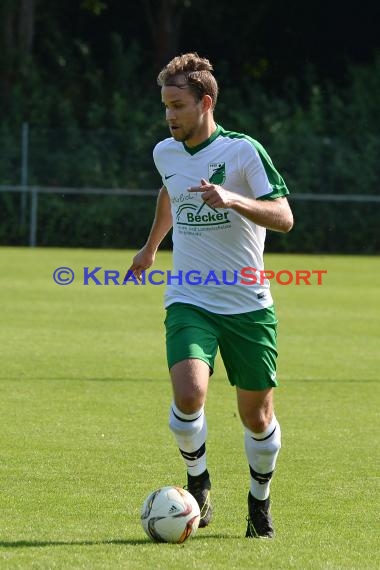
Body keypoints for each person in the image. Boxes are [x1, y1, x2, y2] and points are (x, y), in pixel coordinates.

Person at [129, 52, 293, 538]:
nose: (169, 116)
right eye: (164, 106)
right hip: (190, 295)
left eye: (177, 105)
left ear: (204, 103)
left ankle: (258, 502)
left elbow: (283, 216)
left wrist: (234, 199)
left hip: (247, 304)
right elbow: (170, 193)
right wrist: (151, 246)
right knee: (189, 392)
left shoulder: (243, 152)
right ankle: (198, 483)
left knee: (257, 417)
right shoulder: (166, 152)